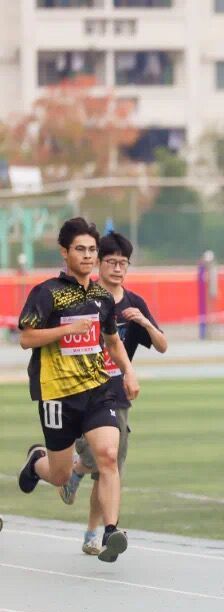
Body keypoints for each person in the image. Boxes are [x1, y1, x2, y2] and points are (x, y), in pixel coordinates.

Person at [16, 217, 139, 563]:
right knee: (61, 475)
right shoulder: (47, 293)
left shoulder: (102, 297)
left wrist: (129, 373)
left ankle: (111, 532)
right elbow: (26, 338)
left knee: (108, 456)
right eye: (80, 249)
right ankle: (36, 462)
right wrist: (66, 331)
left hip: (98, 390)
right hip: (57, 394)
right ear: (64, 252)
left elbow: (112, 341)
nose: (87, 256)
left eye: (92, 250)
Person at [63, 231, 168, 555]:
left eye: (124, 263)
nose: (118, 268)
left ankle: (95, 534)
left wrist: (145, 323)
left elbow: (162, 345)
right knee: (97, 460)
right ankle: (76, 469)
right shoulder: (85, 298)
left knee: (109, 468)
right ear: (99, 263)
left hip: (116, 395)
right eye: (112, 262)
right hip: (82, 391)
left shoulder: (134, 303)